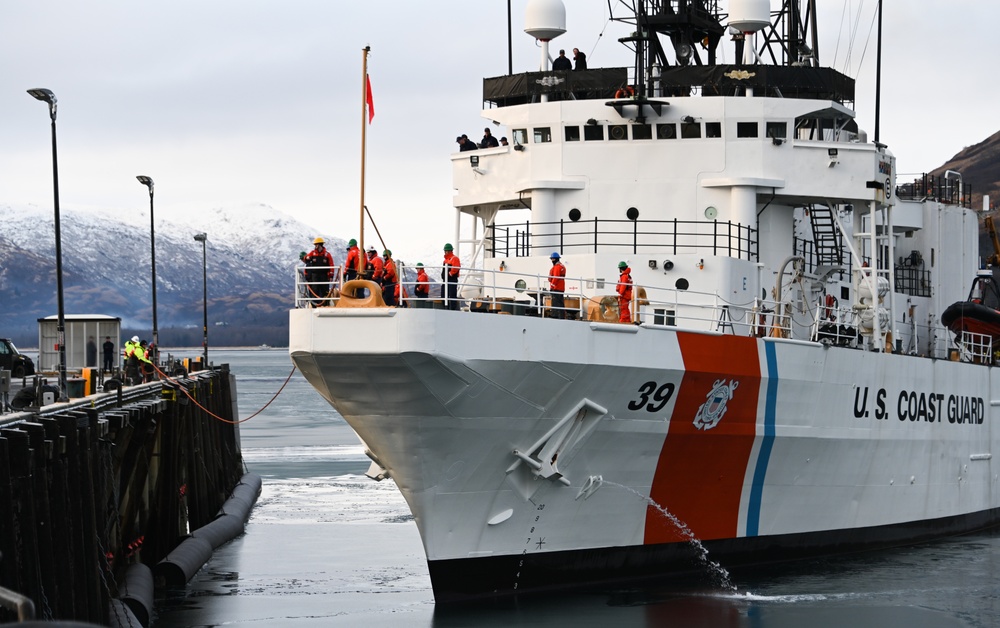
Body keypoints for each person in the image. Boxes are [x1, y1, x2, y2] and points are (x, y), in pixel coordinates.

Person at [303, 237, 335, 305]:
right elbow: (306, 258)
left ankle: (325, 304)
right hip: (315, 275)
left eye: (316, 245)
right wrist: (307, 258)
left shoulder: (327, 255)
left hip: (324, 275)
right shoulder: (312, 253)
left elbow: (331, 265)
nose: (315, 246)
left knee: (325, 290)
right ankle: (315, 304)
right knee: (315, 289)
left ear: (320, 245)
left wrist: (331, 275)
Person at [442, 243, 461, 310]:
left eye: (446, 251)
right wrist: (444, 276)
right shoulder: (446, 260)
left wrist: (450, 274)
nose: (445, 252)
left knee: (452, 294)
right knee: (444, 294)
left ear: (449, 251)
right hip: (446, 280)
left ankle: (452, 308)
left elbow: (456, 267)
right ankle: (445, 307)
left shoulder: (454, 258)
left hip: (452, 279)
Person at [548, 252, 566, 319]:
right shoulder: (562, 266)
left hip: (556, 287)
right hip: (561, 287)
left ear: (555, 259)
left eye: (552, 259)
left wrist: (552, 286)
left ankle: (555, 315)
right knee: (560, 302)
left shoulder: (557, 267)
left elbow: (556, 277)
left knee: (555, 302)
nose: (552, 261)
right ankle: (561, 315)